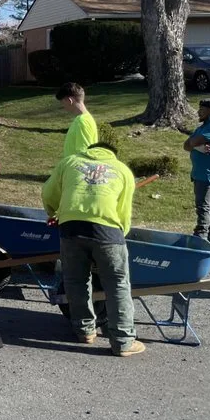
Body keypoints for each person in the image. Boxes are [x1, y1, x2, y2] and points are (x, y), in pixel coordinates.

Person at [42, 141, 146, 357]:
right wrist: (120, 235)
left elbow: (49, 193)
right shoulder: (122, 170)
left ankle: (84, 331)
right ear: (112, 154)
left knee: (75, 280)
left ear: (89, 150)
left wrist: (54, 213)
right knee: (117, 285)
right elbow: (124, 212)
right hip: (107, 231)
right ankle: (123, 341)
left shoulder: (69, 162)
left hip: (71, 228)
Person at [183, 98, 210, 247]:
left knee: (203, 207)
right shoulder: (204, 126)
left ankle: (200, 239)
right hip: (201, 173)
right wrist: (197, 146)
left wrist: (194, 143)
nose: (198, 112)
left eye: (202, 110)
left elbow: (192, 142)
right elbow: (186, 145)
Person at [56, 82, 98, 157]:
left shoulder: (82, 121)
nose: (63, 106)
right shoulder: (86, 118)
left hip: (77, 164)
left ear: (69, 100)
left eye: (62, 102)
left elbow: (84, 154)